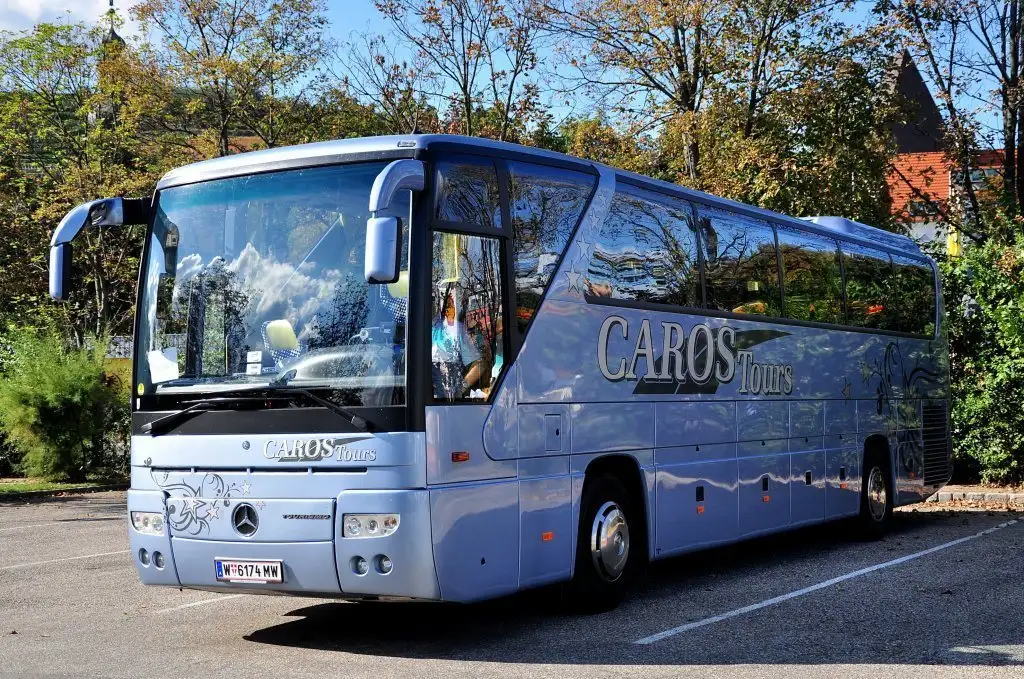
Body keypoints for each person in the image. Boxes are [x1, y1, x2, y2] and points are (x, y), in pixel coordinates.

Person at [431, 295, 482, 399]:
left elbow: (479, 365)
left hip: (452, 397)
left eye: (451, 306)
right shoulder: (433, 329)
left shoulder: (458, 329)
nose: (448, 310)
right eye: (446, 306)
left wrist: (461, 387)